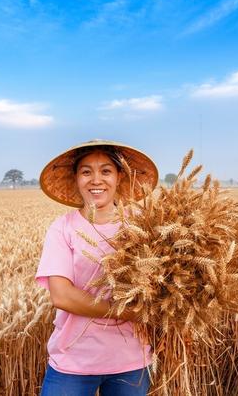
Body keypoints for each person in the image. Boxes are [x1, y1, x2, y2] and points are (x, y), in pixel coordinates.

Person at [36, 139, 159, 396]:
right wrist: (127, 312)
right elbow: (61, 295)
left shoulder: (145, 226)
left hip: (131, 361)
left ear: (119, 176)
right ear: (76, 178)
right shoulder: (63, 228)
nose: (96, 180)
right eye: (86, 171)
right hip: (73, 361)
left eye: (105, 171)